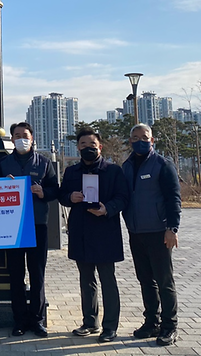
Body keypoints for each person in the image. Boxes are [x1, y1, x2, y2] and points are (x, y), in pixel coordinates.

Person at [58, 128, 129, 343]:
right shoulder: (71, 172)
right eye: (83, 144)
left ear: (100, 146)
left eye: (92, 144)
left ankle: (110, 327)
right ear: (77, 147)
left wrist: (107, 208)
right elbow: (62, 196)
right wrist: (71, 196)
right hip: (80, 231)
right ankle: (90, 322)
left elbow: (123, 197)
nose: (88, 148)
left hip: (105, 230)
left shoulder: (113, 171)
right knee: (86, 280)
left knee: (108, 280)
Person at [0, 121, 58, 337]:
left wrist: (43, 192)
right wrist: (4, 185)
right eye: (17, 135)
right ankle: (19, 320)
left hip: (38, 224)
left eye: (25, 135)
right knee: (16, 275)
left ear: (32, 138)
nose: (21, 138)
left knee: (37, 274)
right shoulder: (3, 164)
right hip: (13, 227)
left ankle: (37, 319)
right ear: (11, 139)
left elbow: (55, 189)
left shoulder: (44, 162)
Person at [122, 123, 182, 346]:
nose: (140, 141)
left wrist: (172, 228)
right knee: (145, 280)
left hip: (159, 232)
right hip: (136, 232)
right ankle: (151, 322)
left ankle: (170, 326)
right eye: (135, 137)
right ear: (130, 142)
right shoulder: (126, 166)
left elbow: (173, 198)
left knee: (164, 281)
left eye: (144, 137)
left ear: (152, 140)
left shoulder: (162, 164)